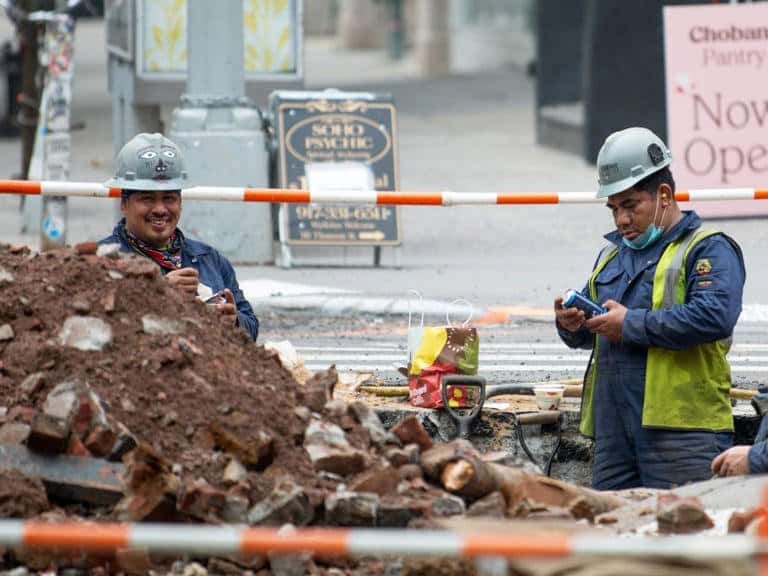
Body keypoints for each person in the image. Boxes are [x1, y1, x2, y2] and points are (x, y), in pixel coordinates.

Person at [555, 127, 745, 490]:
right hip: (615, 433)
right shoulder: (611, 255)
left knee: (685, 539)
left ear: (663, 195)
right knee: (615, 535)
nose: (621, 220)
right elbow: (592, 333)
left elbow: (714, 317)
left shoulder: (707, 249)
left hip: (683, 431)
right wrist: (571, 324)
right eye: (613, 209)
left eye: (630, 205)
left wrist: (630, 324)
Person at [100, 133, 259, 341]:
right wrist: (157, 295)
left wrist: (234, 322)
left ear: (180, 203)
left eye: (169, 198)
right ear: (124, 204)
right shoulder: (101, 262)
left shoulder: (209, 259)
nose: (160, 209)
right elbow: (92, 332)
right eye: (147, 199)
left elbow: (251, 327)